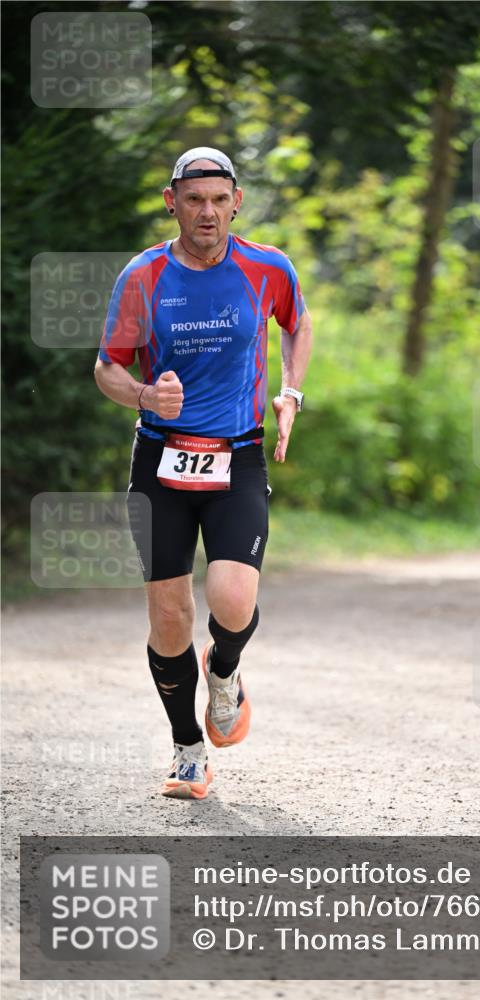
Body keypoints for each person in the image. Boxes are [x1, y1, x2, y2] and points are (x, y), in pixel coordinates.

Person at [94, 147, 312, 800]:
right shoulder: (143, 276)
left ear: (236, 202)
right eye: (194, 200)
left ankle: (225, 672)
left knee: (232, 600)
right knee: (168, 615)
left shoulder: (267, 267)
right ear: (173, 203)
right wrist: (143, 395)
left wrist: (291, 393)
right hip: (160, 459)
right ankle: (188, 749)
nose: (207, 212)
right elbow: (107, 366)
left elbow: (297, 325)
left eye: (219, 199)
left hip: (237, 455)